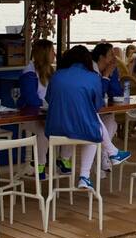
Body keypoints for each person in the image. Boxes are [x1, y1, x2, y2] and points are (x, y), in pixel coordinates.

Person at [44, 46, 105, 189]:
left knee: (84, 128)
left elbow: (48, 98)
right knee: (96, 134)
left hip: (54, 130)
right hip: (80, 130)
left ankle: (67, 162)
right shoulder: (93, 77)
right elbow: (97, 106)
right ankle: (84, 175)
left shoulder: (57, 75)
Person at [90, 43, 131, 170]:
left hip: (102, 110)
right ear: (102, 58)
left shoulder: (110, 69)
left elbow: (117, 93)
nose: (114, 58)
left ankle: (103, 155)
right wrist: (106, 76)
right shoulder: (91, 70)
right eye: (111, 55)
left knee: (111, 123)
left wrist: (111, 75)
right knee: (102, 126)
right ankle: (107, 155)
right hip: (88, 111)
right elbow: (98, 94)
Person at [19, 39, 54, 178]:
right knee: (43, 131)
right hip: (30, 115)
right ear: (45, 54)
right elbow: (30, 98)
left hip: (47, 114)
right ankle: (40, 166)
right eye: (52, 51)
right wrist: (46, 104)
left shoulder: (51, 71)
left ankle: (63, 160)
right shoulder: (29, 73)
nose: (54, 55)